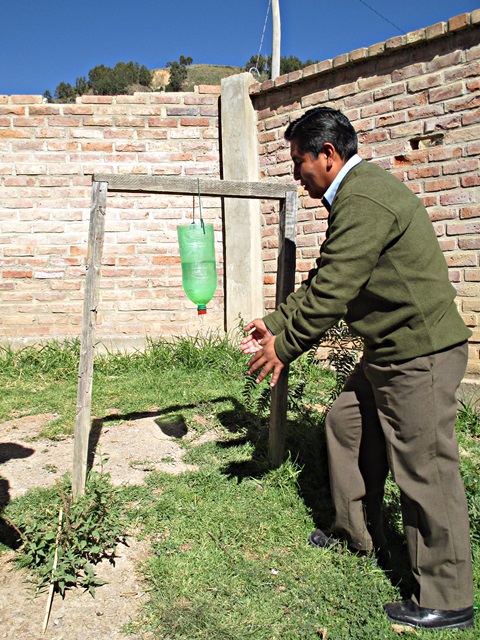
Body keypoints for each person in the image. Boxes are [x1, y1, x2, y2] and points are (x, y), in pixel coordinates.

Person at [241, 107, 474, 631]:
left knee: (426, 470)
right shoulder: (353, 197)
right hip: (390, 351)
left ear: (327, 155)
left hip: (419, 354)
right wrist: (274, 322)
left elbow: (333, 293)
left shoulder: (364, 198)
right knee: (345, 424)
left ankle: (448, 597)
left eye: (299, 162)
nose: (297, 174)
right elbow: (327, 276)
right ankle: (358, 535)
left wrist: (284, 347)